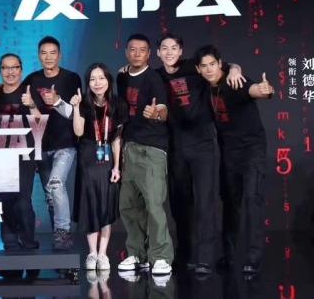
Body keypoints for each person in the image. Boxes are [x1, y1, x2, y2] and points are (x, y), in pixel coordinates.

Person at [155, 34, 243, 274]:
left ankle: (205, 257)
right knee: (179, 204)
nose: (170, 52)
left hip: (203, 144)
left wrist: (235, 69)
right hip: (175, 146)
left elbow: (226, 66)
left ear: (181, 51)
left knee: (206, 202)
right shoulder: (156, 75)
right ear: (158, 53)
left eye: (174, 48)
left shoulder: (194, 67)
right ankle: (185, 254)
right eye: (165, 48)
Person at [195, 45, 274, 274]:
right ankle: (229, 256)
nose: (209, 69)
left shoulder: (235, 80)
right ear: (198, 69)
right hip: (228, 152)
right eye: (204, 66)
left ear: (220, 64)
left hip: (252, 150)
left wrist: (266, 90)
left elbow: (256, 91)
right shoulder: (203, 85)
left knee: (252, 199)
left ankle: (253, 258)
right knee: (230, 202)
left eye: (213, 64)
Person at [116, 34, 173, 275]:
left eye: (142, 50)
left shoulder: (154, 78)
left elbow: (164, 110)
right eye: (133, 49)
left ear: (149, 54)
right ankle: (137, 254)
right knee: (129, 205)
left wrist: (156, 114)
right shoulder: (121, 77)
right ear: (126, 52)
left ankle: (161, 257)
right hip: (129, 147)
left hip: (152, 148)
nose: (137, 54)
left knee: (154, 205)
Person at [23, 36, 80, 251]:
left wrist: (57, 102)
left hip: (65, 143)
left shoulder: (71, 78)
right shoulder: (32, 79)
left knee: (56, 185)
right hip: (42, 145)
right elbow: (33, 115)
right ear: (39, 55)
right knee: (50, 195)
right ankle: (59, 237)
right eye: (44, 53)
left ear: (60, 55)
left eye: (52, 53)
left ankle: (63, 232)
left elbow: (74, 113)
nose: (48, 57)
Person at [70, 63, 125, 271]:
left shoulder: (118, 104)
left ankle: (103, 254)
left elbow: (117, 139)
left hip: (108, 158)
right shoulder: (84, 103)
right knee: (90, 205)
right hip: (88, 157)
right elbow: (78, 131)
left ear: (108, 80)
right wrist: (76, 108)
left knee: (106, 205)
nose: (97, 83)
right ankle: (92, 253)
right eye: (92, 79)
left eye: (101, 78)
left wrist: (117, 167)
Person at [0, 53, 40, 281]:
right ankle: (11, 249)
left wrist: (31, 105)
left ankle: (29, 247)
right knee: (4, 202)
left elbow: (40, 121)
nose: (10, 72)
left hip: (24, 153)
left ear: (21, 69)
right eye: (5, 68)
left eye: (14, 67)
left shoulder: (30, 92)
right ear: (0, 70)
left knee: (22, 201)